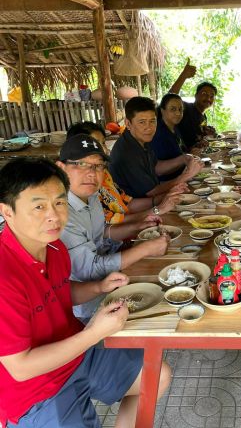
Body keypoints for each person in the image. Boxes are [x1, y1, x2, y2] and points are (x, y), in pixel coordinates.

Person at [0, 157, 171, 428]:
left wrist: (97, 287)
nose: (54, 215)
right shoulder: (4, 276)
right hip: (31, 392)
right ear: (7, 211)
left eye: (60, 202)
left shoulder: (52, 247)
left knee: (157, 376)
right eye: (39, 206)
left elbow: (60, 293)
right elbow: (21, 367)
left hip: (74, 352)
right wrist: (95, 333)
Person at [57, 134, 171, 321]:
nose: (91, 173)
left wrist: (137, 227)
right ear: (61, 167)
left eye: (98, 166)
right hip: (88, 309)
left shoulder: (91, 195)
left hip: (115, 282)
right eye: (80, 164)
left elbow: (101, 233)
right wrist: (145, 249)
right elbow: (89, 270)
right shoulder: (59, 212)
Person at [66, 122, 182, 225]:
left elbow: (127, 203)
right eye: (142, 121)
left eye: (103, 143)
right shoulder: (85, 188)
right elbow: (110, 224)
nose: (105, 150)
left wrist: (166, 198)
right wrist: (157, 210)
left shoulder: (104, 173)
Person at [109, 97, 203, 199]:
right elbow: (151, 192)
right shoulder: (127, 152)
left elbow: (157, 168)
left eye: (152, 121)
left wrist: (185, 158)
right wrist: (185, 176)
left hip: (154, 199)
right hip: (138, 209)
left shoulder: (141, 138)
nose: (149, 127)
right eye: (142, 122)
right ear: (128, 123)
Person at [151, 93, 191, 181]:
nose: (178, 113)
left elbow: (181, 152)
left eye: (180, 109)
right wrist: (184, 159)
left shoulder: (174, 128)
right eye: (173, 109)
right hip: (167, 184)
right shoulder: (158, 133)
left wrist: (192, 152)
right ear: (162, 110)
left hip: (182, 176)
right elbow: (158, 169)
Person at [169, 79, 217, 151]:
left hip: (196, 155)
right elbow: (169, 98)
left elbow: (198, 137)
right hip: (181, 156)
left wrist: (207, 134)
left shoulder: (204, 117)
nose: (208, 98)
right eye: (204, 94)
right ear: (196, 95)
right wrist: (184, 75)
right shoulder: (186, 108)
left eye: (212, 96)